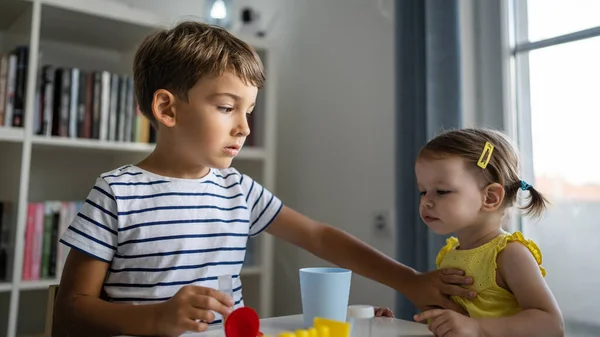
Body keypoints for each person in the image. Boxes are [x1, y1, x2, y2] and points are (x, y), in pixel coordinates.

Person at [53, 21, 474, 337]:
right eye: (225, 107)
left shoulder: (238, 190)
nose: (244, 127)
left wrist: (409, 280)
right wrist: (156, 317)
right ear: (167, 109)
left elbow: (320, 237)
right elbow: (71, 309)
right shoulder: (118, 193)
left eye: (248, 110)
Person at [412, 128, 564, 337]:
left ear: (490, 197)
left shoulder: (510, 254)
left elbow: (551, 325)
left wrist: (477, 327)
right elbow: (455, 321)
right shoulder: (450, 253)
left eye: (441, 191)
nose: (426, 201)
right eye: (423, 191)